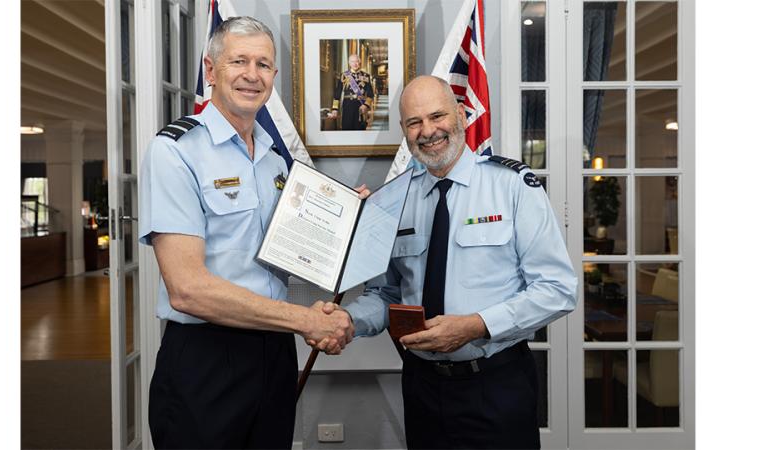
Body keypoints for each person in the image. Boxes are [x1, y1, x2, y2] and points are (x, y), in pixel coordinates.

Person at [139, 17, 362, 449]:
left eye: (263, 64)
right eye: (238, 61)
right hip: (206, 357)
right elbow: (188, 290)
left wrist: (346, 214)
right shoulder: (175, 151)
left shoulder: (276, 161)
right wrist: (307, 321)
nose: (252, 74)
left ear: (274, 77)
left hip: (274, 353)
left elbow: (291, 250)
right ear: (210, 70)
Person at [323, 75, 577, 449]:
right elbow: (386, 294)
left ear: (460, 113)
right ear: (404, 130)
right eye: (414, 122)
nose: (428, 131)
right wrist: (347, 321)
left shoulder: (511, 186)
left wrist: (475, 326)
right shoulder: (394, 199)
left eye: (437, 116)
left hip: (496, 383)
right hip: (423, 386)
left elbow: (558, 290)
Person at [329, 54, 374, 130]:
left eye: (357, 61)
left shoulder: (366, 76)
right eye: (352, 62)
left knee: (359, 130)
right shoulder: (344, 75)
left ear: (359, 62)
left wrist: (366, 105)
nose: (355, 64)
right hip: (347, 106)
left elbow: (370, 94)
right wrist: (335, 109)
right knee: (347, 128)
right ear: (349, 63)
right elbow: (337, 93)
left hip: (360, 106)